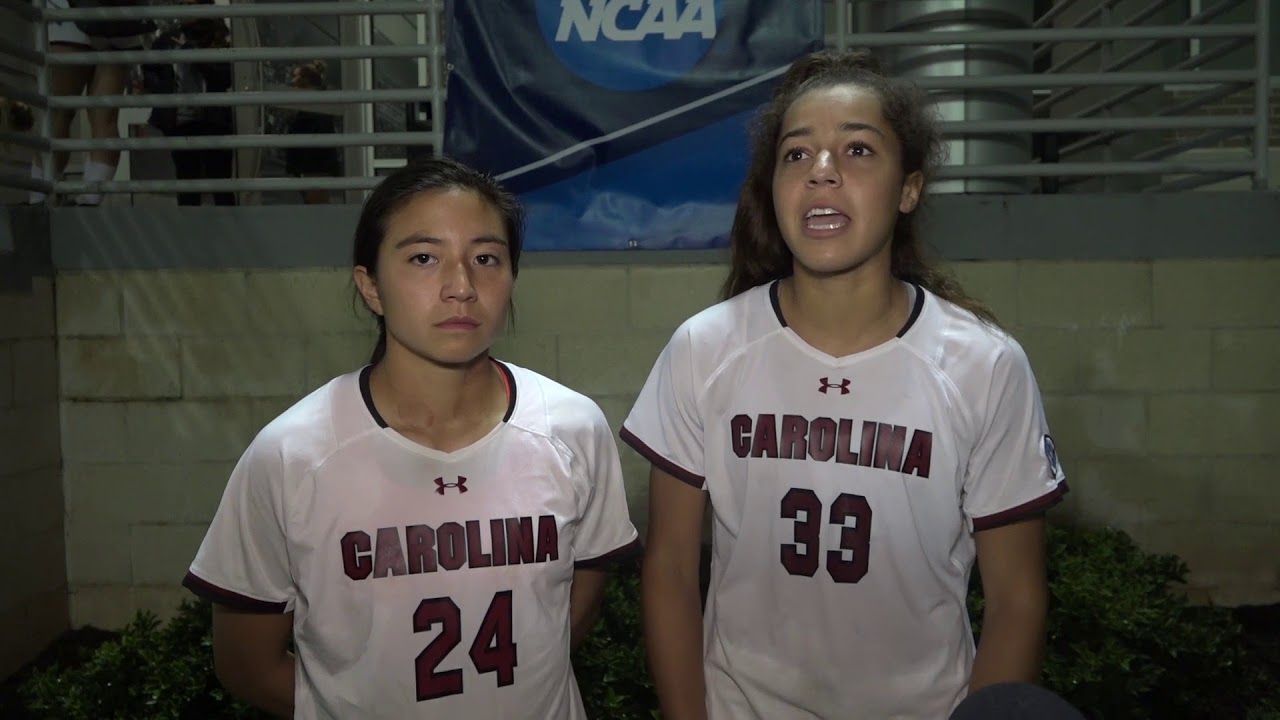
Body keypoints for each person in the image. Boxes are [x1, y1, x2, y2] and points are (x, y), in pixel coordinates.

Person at [622, 49, 1072, 720]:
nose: (822, 173)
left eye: (858, 150)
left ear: (909, 188)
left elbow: (1018, 599)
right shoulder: (705, 349)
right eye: (796, 156)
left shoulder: (984, 365)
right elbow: (667, 573)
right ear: (772, 190)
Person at [182, 156, 641, 719]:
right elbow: (247, 664)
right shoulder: (292, 456)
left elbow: (573, 608)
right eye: (424, 258)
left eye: (486, 258)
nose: (461, 287)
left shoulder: (574, 428)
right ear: (370, 286)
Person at [31, 0, 155, 206]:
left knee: (58, 113)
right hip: (120, 19)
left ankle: (39, 197)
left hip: (68, 16)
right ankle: (90, 199)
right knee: (104, 117)